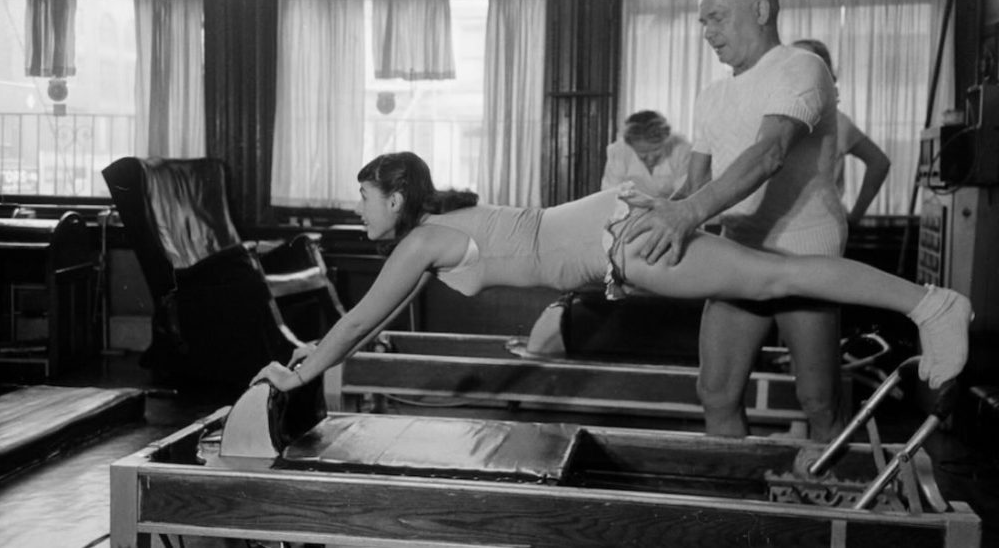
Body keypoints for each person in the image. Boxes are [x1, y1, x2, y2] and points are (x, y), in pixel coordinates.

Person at [250, 151, 970, 411]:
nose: (358, 208)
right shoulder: (435, 231)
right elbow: (371, 322)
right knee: (768, 281)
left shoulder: (423, 240)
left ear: (397, 197)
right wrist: (311, 361)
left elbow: (358, 320)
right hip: (608, 234)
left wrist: (299, 372)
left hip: (615, 239)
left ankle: (929, 304)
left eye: (365, 196)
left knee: (774, 279)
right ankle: (927, 305)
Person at [617, 0, 854, 441]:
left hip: (802, 250)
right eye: (703, 21)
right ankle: (737, 490)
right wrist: (646, 220)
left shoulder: (801, 67)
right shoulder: (712, 95)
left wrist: (687, 212)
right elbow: (694, 187)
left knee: (818, 400)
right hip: (740, 248)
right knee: (717, 393)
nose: (707, 31)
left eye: (718, 17)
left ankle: (833, 487)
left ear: (760, 10)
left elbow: (770, 153)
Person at [791, 38, 892, 227]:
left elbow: (879, 163)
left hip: (821, 226)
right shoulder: (779, 118)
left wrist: (855, 216)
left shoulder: (837, 122)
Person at [601, 110, 692, 198]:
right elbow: (611, 193)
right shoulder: (619, 151)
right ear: (631, 145)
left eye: (656, 149)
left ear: (666, 140)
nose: (650, 158)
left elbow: (685, 192)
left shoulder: (681, 149)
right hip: (631, 206)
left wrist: (663, 206)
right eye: (643, 152)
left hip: (673, 206)